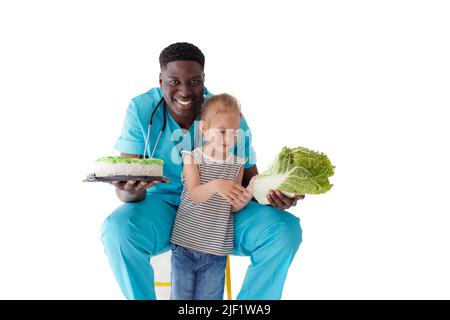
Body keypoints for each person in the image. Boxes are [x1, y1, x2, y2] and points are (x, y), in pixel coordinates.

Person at [101, 42, 304, 300]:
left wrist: (276, 195)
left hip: (218, 213)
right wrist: (129, 191)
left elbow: (251, 184)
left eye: (194, 81)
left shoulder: (227, 114)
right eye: (173, 81)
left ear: (204, 80)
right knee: (117, 230)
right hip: (161, 209)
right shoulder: (141, 109)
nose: (184, 91)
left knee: (284, 231)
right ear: (160, 79)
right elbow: (127, 189)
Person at [170, 93, 253, 300]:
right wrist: (216, 185)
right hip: (185, 246)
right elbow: (195, 194)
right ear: (205, 130)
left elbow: (231, 206)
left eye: (235, 133)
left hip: (216, 251)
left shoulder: (238, 163)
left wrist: (241, 202)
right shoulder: (193, 158)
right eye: (223, 131)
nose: (229, 138)